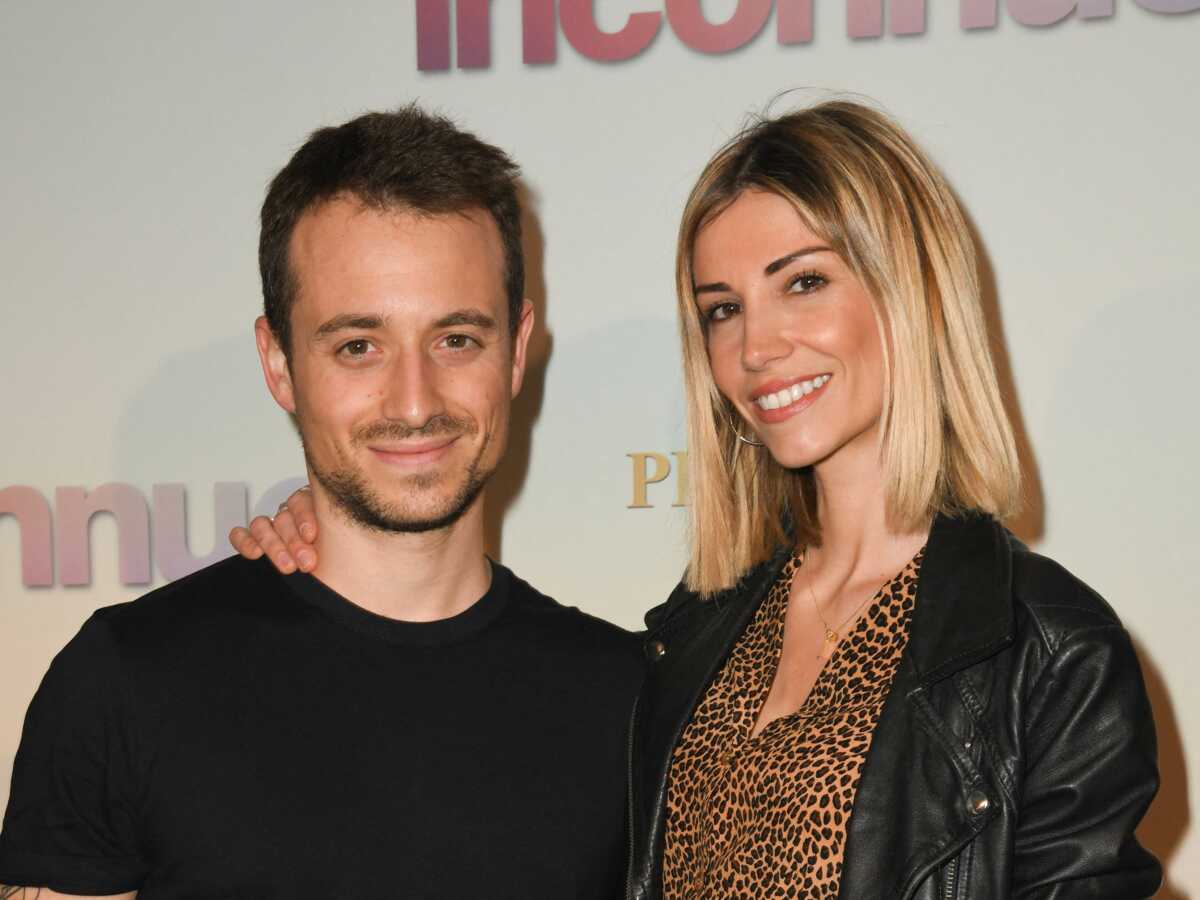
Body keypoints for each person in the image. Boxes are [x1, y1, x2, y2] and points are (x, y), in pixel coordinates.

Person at [242, 101, 1162, 900]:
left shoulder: (1044, 649)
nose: (756, 347)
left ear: (909, 289)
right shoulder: (706, 627)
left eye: (803, 282)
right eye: (722, 308)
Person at [0, 107, 643, 899]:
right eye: (358, 346)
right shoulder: (124, 683)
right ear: (278, 363)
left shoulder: (629, 703)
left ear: (516, 347)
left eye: (456, 339)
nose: (414, 402)